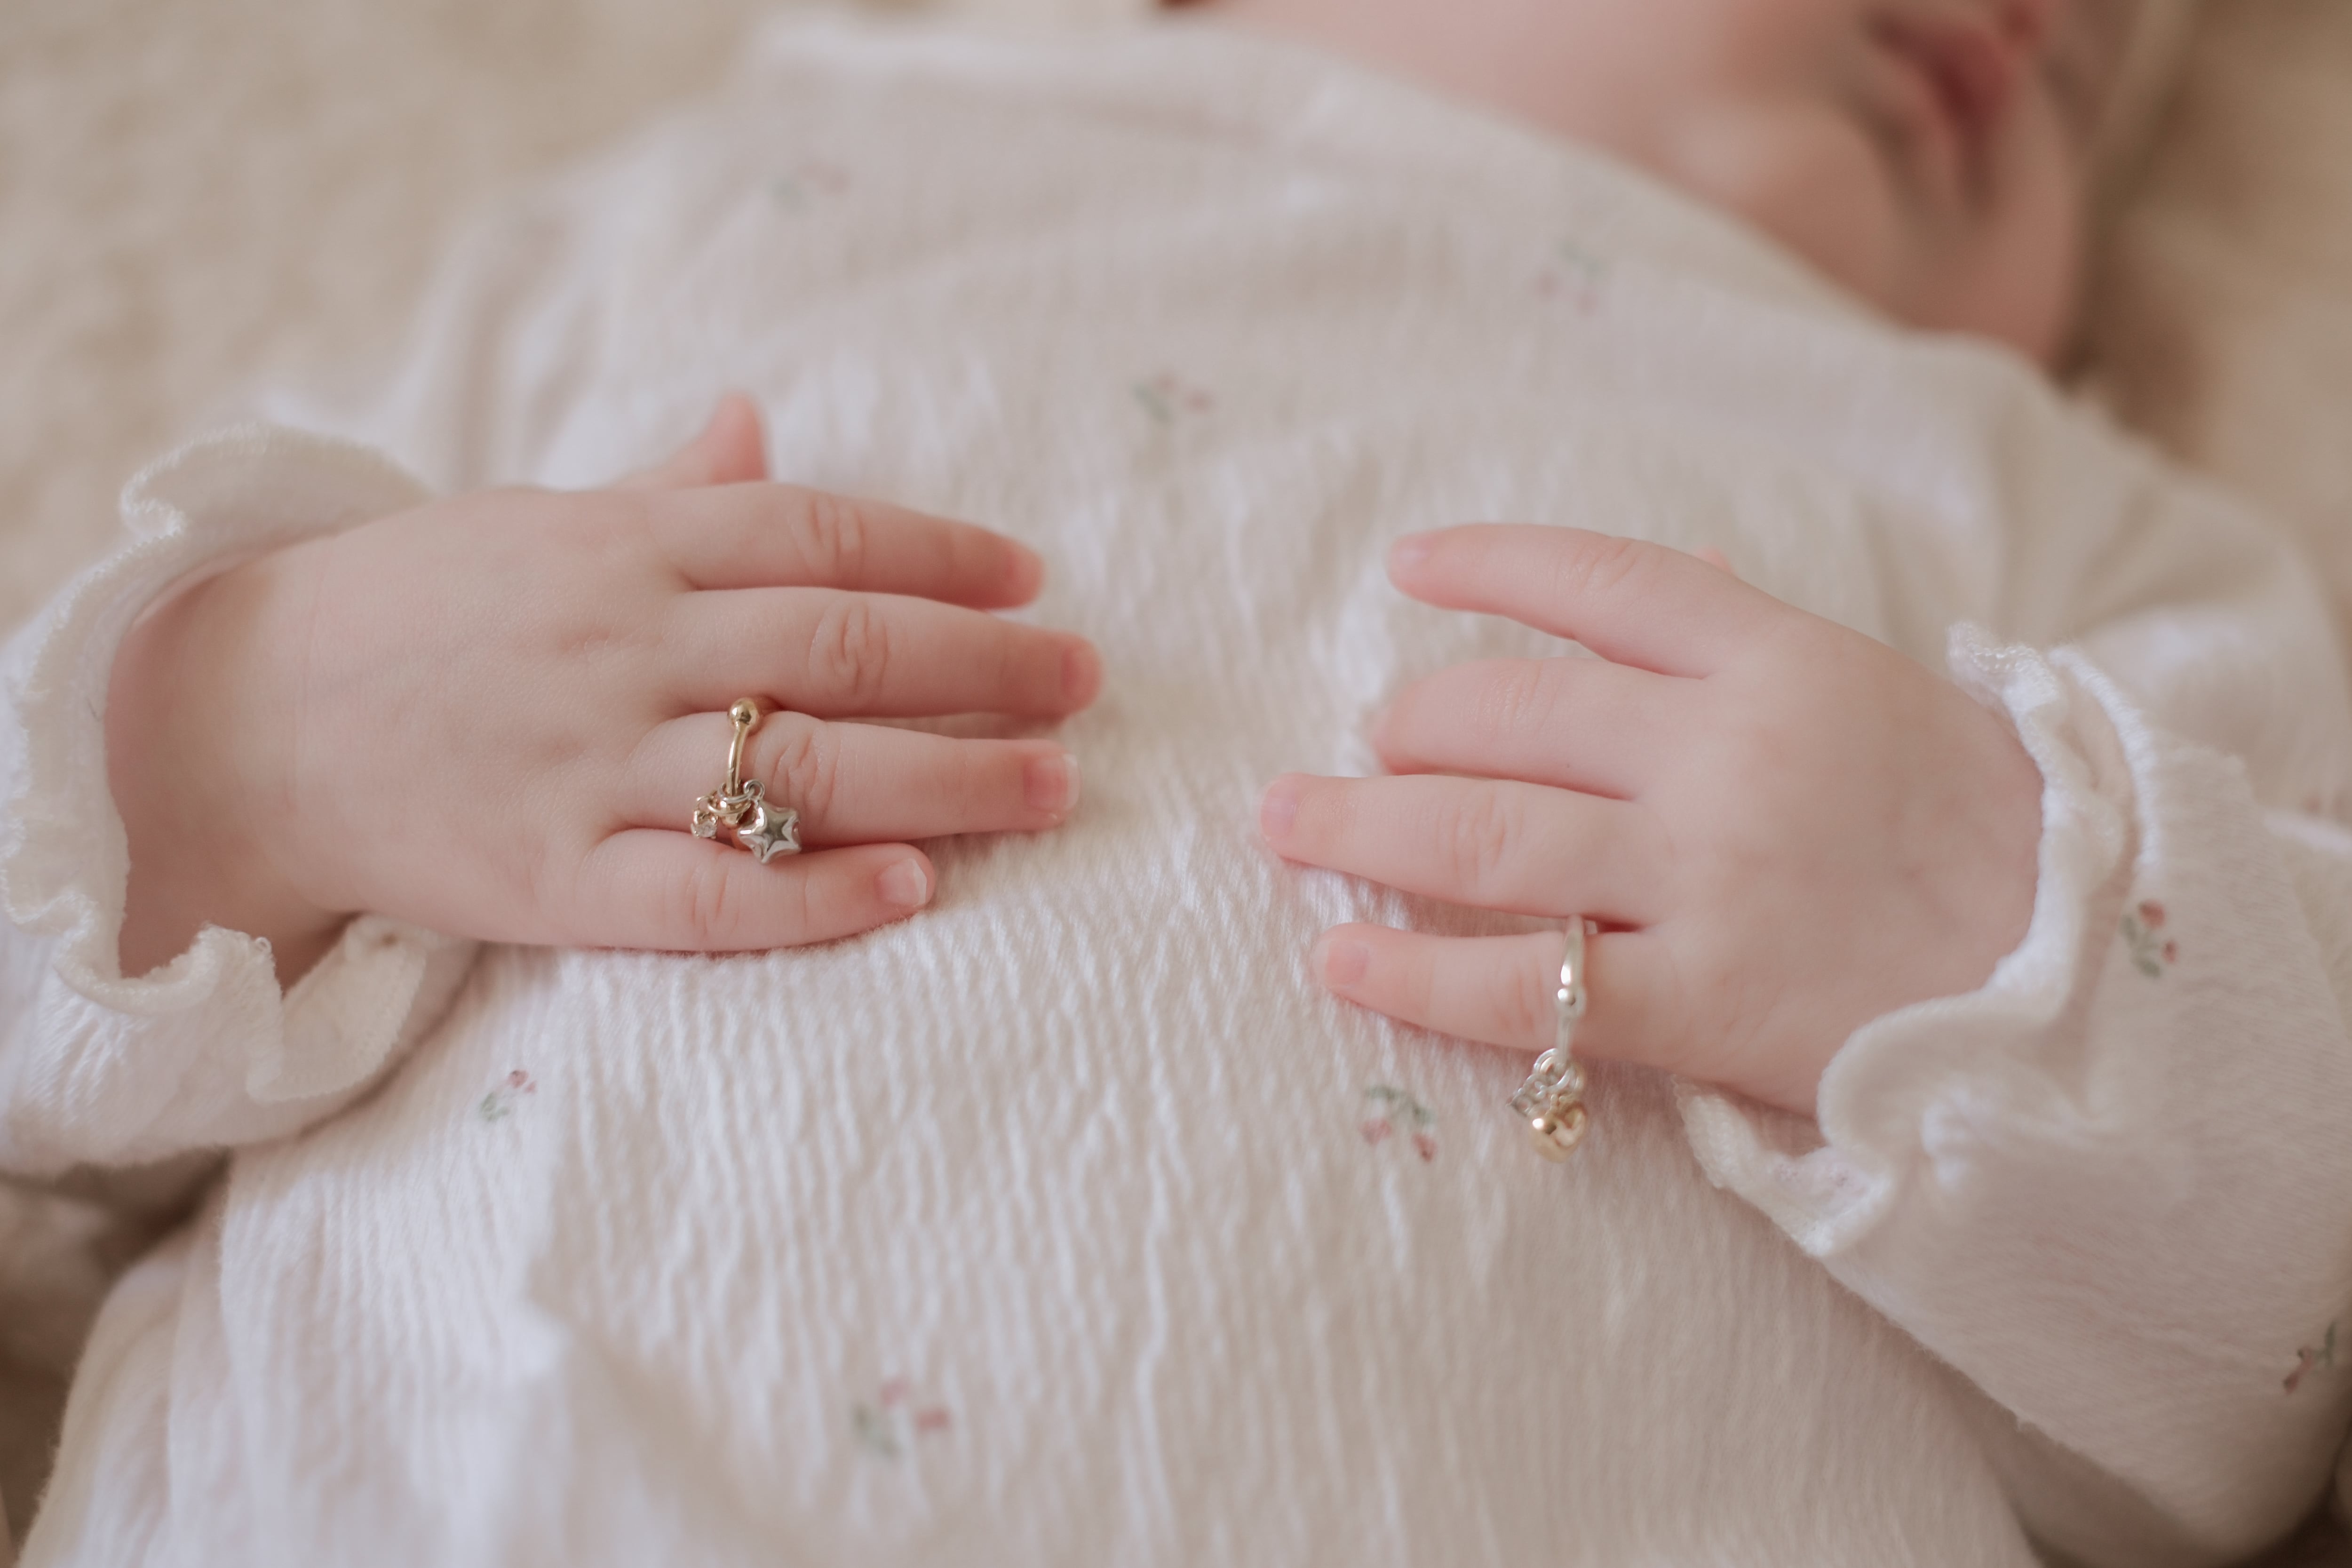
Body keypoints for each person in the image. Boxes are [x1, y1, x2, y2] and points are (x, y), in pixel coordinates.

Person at [8, 0, 2352, 1563]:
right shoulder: (730, 189)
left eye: (2090, 84)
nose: (2035, 22)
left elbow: (2271, 1373)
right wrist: (252, 737)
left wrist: (1985, 926)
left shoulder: (2049, 503)